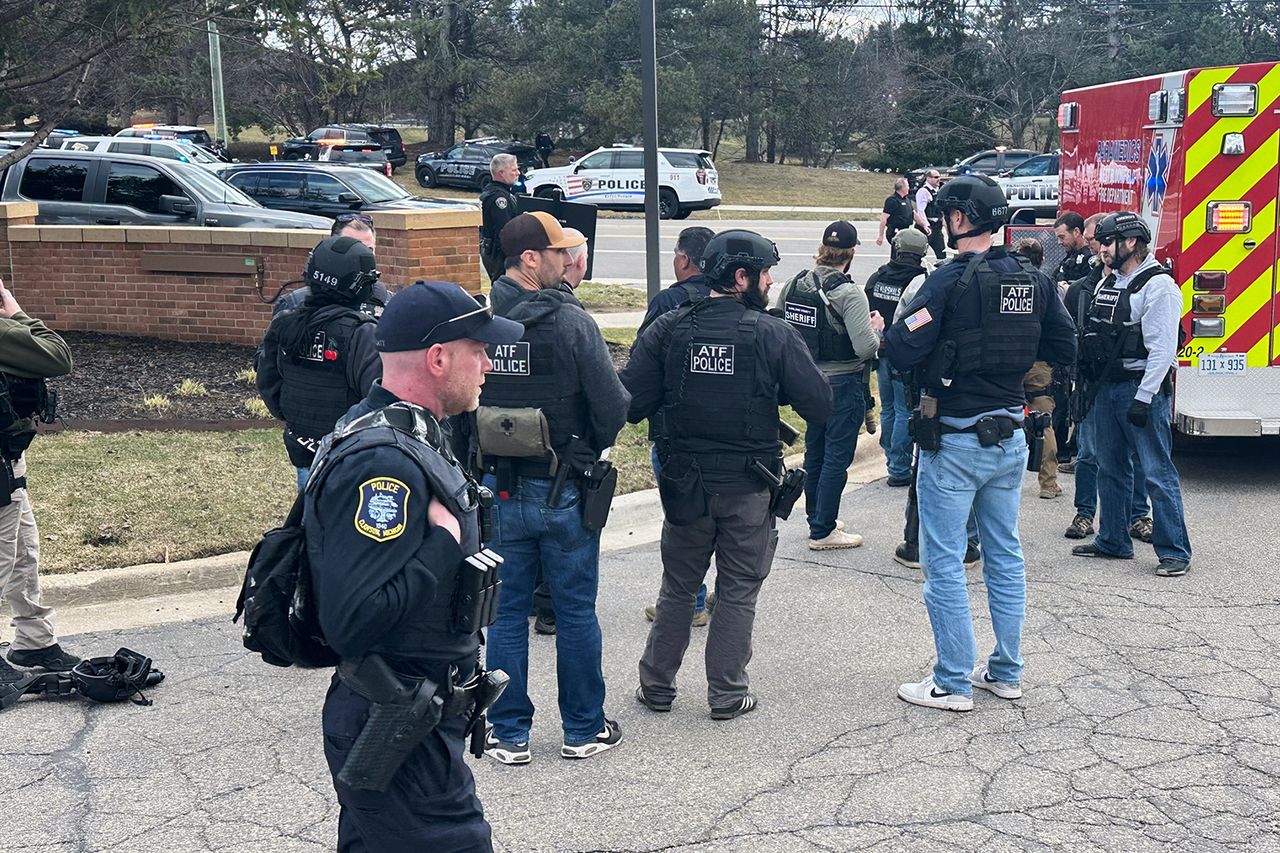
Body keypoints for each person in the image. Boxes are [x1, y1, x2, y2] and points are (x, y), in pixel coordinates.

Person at [307, 280, 524, 852]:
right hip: (400, 731)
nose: (488, 364)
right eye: (479, 350)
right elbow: (351, 619)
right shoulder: (384, 463)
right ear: (438, 358)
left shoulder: (410, 432)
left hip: (414, 720)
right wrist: (443, 543)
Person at [622, 229, 832, 720]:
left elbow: (630, 403)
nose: (771, 282)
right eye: (765, 273)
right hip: (747, 487)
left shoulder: (669, 327)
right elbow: (820, 404)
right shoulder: (773, 334)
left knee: (678, 589)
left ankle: (656, 687)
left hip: (685, 485)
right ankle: (727, 694)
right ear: (741, 277)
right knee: (737, 591)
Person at [884, 175, 1075, 711]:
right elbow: (1065, 344)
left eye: (947, 215)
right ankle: (1006, 671)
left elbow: (900, 347)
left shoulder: (947, 280)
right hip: (1010, 435)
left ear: (960, 218)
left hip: (955, 438)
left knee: (945, 562)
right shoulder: (1034, 279)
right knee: (1005, 555)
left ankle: (952, 681)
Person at [478, 212, 631, 764]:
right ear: (530, 259)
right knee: (574, 612)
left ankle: (507, 732)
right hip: (565, 488)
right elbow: (613, 407)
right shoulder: (571, 323)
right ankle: (583, 729)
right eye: (559, 252)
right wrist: (587, 443)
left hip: (498, 488)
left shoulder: (479, 318)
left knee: (505, 614)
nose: (567, 260)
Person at [1070, 212, 1192, 577]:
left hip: (1140, 391)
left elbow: (1162, 351)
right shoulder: (1112, 281)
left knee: (1156, 472)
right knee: (1110, 468)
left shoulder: (1158, 287)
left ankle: (1174, 551)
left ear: (1131, 243)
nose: (1102, 249)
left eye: (1108, 242)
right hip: (1106, 388)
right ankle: (1113, 540)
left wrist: (1144, 398)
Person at [776, 221, 881, 549]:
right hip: (843, 384)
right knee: (836, 457)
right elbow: (866, 348)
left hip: (807, 383)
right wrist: (876, 328)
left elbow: (779, 326)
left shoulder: (795, 284)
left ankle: (818, 517)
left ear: (823, 249)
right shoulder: (849, 293)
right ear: (851, 253)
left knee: (816, 453)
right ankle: (824, 530)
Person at [257, 236, 383, 491]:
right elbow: (379, 402)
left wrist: (300, 423)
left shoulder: (285, 322)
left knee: (309, 512)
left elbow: (268, 385)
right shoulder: (363, 333)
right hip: (352, 460)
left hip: (303, 450)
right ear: (358, 284)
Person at [638, 225, 717, 626]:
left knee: (683, 520)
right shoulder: (734, 298)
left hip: (675, 434)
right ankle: (723, 593)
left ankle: (690, 602)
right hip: (728, 433)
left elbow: (643, 364)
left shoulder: (668, 302)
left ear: (684, 260)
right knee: (727, 517)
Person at [0, 277, 78, 676]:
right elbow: (57, 355)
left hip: (9, 460)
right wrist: (16, 311)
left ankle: (34, 643)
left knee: (22, 552)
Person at [1062, 213, 1153, 542]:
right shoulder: (1081, 289)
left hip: (1128, 382)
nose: (1098, 247)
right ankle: (1085, 513)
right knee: (1088, 453)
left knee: (1135, 456)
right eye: (1095, 241)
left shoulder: (1141, 285)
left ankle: (1138, 515)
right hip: (1091, 384)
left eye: (1103, 240)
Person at [865, 229, 929, 487]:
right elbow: (923, 317)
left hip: (881, 351)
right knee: (904, 410)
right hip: (904, 353)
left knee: (889, 408)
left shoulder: (877, 277)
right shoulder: (920, 281)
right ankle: (900, 468)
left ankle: (892, 460)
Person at [1011, 238, 1062, 501]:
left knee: (1003, 417)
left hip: (1006, 362)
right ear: (1041, 260)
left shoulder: (1005, 282)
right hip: (1038, 363)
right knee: (1043, 422)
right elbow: (1061, 325)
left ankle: (1003, 481)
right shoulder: (1047, 285)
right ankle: (1048, 484)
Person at [272, 216, 388, 318]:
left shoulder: (388, 303)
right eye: (351, 248)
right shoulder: (293, 304)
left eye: (369, 250)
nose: (361, 255)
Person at [1051, 212, 1093, 463]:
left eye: (1062, 236)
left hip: (1078, 334)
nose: (1060, 242)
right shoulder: (1070, 258)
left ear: (1077, 232)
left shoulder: (1089, 261)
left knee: (1072, 396)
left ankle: (1073, 447)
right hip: (1067, 332)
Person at [479, 154, 521, 281]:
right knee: (505, 286)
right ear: (501, 173)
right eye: (514, 170)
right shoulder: (498, 198)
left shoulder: (496, 192)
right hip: (499, 255)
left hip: (494, 251)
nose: (518, 173)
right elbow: (504, 232)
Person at [876, 178, 919, 248]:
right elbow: (883, 218)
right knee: (898, 250)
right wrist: (881, 236)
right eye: (907, 186)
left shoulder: (907, 199)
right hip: (895, 231)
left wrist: (924, 225)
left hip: (905, 230)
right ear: (902, 187)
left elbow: (914, 215)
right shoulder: (892, 200)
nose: (909, 188)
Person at [914, 170, 947, 260]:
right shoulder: (923, 191)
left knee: (942, 253)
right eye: (936, 177)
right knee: (917, 253)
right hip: (925, 228)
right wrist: (926, 225)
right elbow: (920, 210)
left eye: (939, 177)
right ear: (928, 178)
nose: (938, 179)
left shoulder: (939, 191)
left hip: (937, 227)